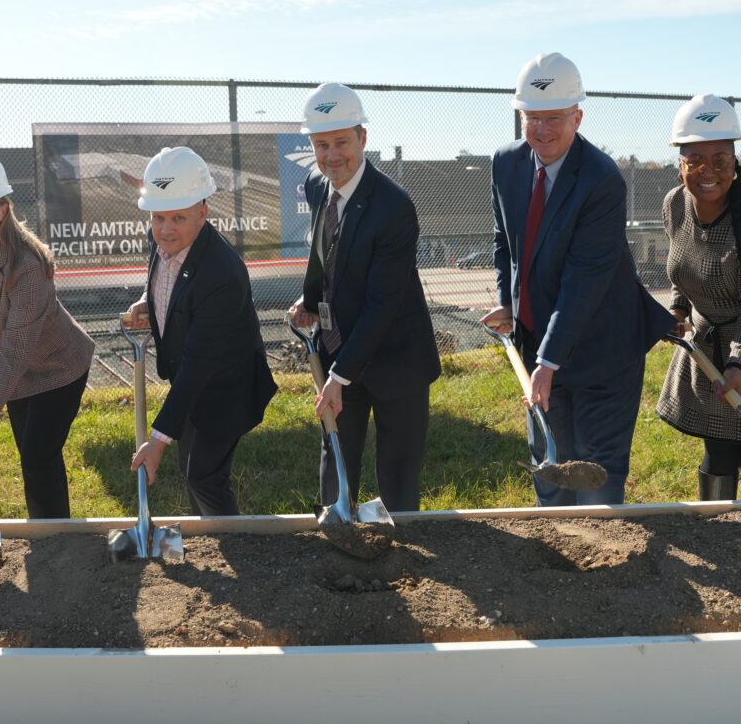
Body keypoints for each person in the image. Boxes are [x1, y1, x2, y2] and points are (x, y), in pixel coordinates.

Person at [482, 53, 675, 506]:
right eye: (533, 118)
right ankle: (558, 566)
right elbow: (505, 242)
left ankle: (608, 567)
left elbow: (585, 279)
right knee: (551, 476)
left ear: (577, 117)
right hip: (539, 341)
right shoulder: (506, 164)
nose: (543, 130)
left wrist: (547, 363)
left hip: (602, 346)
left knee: (595, 477)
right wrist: (508, 303)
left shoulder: (600, 180)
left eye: (554, 118)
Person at [288, 83, 441, 512]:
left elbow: (383, 305)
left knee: (397, 474)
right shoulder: (318, 186)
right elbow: (325, 252)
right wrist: (311, 299)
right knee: (335, 455)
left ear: (363, 138)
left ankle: (404, 559)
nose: (332, 155)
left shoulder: (393, 207)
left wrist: (338, 377)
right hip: (342, 348)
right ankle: (335, 537)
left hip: (397, 359)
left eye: (341, 142)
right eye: (321, 145)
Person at [0, 148, 94, 518]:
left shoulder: (28, 266)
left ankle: (55, 541)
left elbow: (12, 355)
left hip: (58, 368)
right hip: (20, 373)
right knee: (32, 457)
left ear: (4, 207)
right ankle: (48, 534)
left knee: (39, 454)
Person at [126, 146, 277, 516]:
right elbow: (171, 282)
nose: (165, 228)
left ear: (203, 213)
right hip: (190, 381)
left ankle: (234, 540)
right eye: (158, 217)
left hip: (226, 385)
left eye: (178, 217)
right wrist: (147, 300)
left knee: (203, 475)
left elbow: (200, 363)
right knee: (191, 467)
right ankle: (214, 534)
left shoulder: (221, 274)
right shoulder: (163, 238)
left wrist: (157, 440)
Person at [657, 94, 741, 500]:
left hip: (738, 347)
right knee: (721, 447)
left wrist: (739, 360)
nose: (709, 172)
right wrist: (679, 307)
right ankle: (717, 529)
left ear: (735, 163)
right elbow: (681, 269)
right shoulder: (675, 206)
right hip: (709, 351)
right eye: (696, 161)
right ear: (680, 165)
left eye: (721, 160)